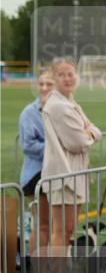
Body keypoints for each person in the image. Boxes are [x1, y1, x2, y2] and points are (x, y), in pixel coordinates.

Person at [40, 59, 102, 254]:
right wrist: (90, 133)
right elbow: (79, 142)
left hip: (74, 174)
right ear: (54, 78)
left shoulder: (69, 102)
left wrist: (89, 131)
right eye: (61, 74)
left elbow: (91, 129)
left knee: (67, 231)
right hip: (64, 175)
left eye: (70, 74)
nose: (67, 78)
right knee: (62, 231)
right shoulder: (59, 105)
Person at [19, 70, 55, 254]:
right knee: (42, 225)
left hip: (57, 174)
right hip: (36, 175)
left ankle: (52, 266)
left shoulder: (61, 109)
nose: (44, 88)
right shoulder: (29, 112)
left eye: (49, 84)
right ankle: (38, 270)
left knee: (56, 226)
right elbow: (28, 145)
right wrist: (55, 148)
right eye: (41, 84)